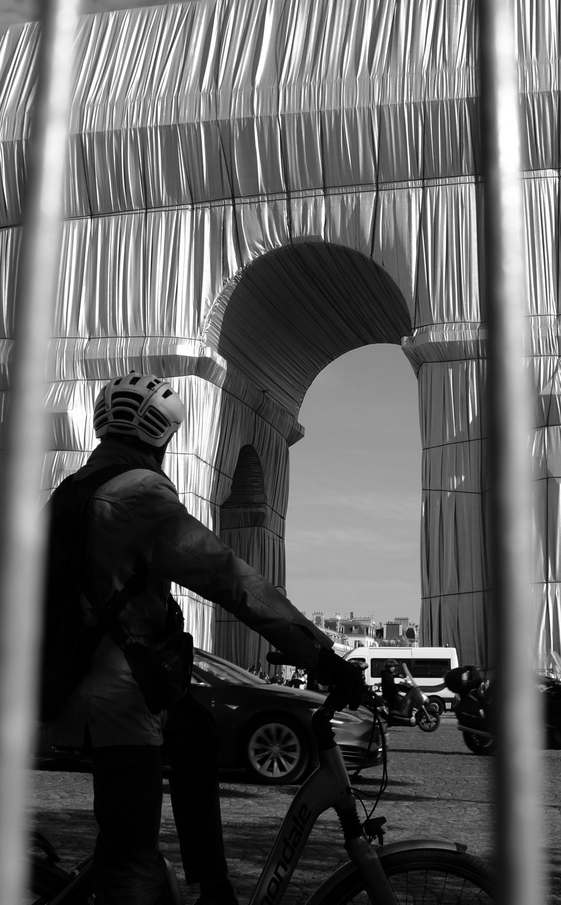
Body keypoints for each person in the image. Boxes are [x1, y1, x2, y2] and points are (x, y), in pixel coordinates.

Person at [43, 371, 365, 905]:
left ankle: (212, 886)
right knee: (132, 866)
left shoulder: (71, 491)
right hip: (119, 698)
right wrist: (319, 653)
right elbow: (229, 579)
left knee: (197, 739)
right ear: (163, 438)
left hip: (82, 682)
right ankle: (201, 884)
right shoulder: (138, 495)